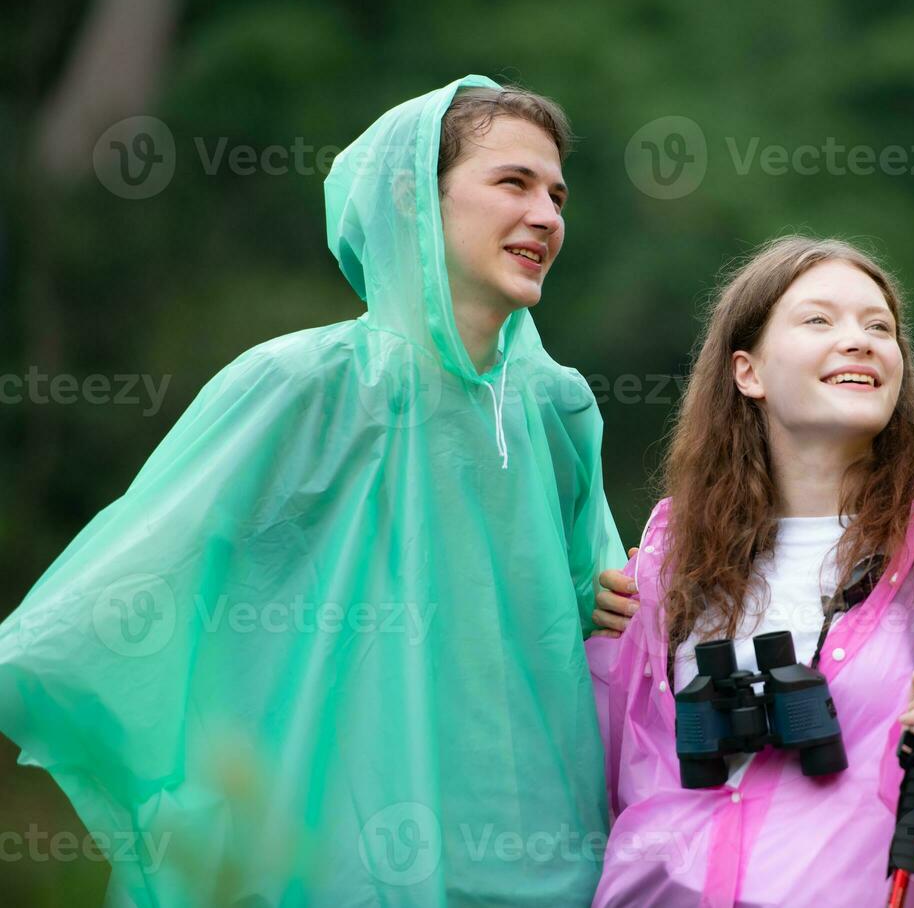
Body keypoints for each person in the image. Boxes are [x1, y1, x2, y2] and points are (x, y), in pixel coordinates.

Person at [0, 76, 624, 905]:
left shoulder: (558, 408)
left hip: (537, 850)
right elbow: (131, 584)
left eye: (557, 194)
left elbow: (594, 604)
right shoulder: (301, 387)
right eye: (513, 183)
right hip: (336, 855)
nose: (547, 216)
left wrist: (606, 598)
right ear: (411, 197)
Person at [585, 236, 914, 908]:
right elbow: (608, 778)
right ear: (747, 371)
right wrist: (584, 629)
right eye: (819, 320)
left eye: (880, 328)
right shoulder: (671, 556)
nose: (861, 341)